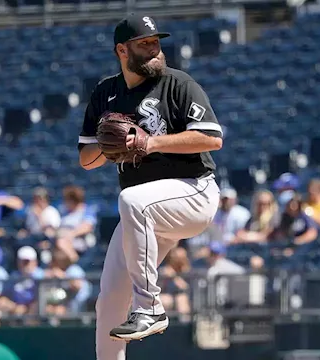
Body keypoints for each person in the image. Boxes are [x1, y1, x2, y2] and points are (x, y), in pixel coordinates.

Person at [77, 13, 223, 357]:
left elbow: (212, 139)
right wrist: (109, 146)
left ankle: (150, 308)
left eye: (156, 42)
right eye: (145, 44)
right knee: (110, 297)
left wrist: (150, 143)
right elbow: (86, 159)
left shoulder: (178, 83)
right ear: (122, 51)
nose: (155, 49)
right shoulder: (106, 93)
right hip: (147, 214)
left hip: (193, 192)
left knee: (131, 200)